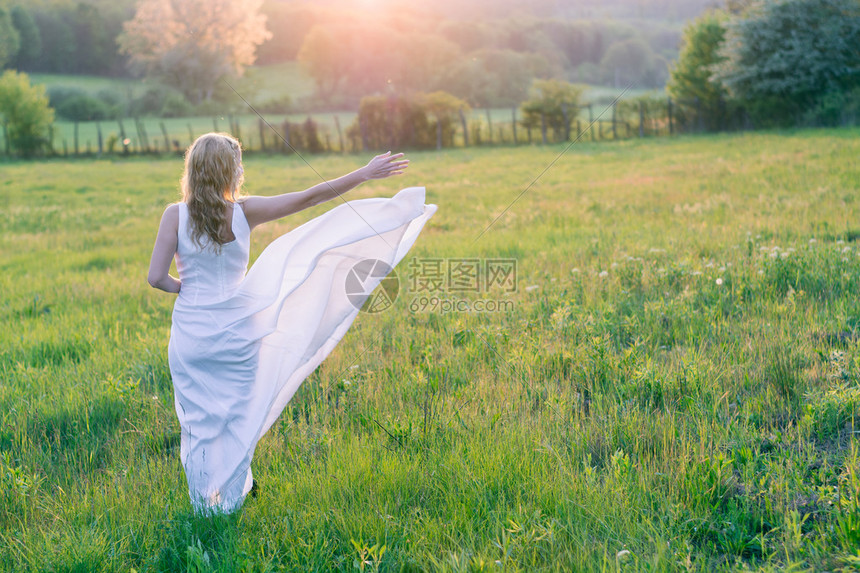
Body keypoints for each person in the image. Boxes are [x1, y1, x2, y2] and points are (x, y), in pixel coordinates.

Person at [147, 132, 436, 513]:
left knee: (199, 421)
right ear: (229, 171)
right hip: (238, 332)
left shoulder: (174, 214)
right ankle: (232, 492)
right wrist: (363, 173)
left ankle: (207, 506)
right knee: (239, 415)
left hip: (193, 333)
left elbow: (156, 278)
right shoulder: (246, 211)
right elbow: (309, 197)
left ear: (193, 168)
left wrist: (184, 286)